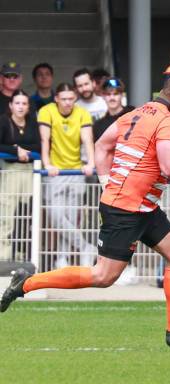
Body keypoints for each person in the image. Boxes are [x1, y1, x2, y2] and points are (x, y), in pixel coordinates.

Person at [0, 74, 170, 349]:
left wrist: (106, 183)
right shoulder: (169, 120)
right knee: (103, 276)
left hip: (142, 205)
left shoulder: (136, 112)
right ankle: (26, 283)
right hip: (127, 207)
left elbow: (102, 145)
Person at [38, 83, 98, 268]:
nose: (67, 103)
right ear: (56, 98)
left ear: (75, 98)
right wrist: (47, 164)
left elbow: (88, 140)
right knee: (55, 214)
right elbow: (44, 139)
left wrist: (91, 163)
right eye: (63, 99)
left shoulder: (82, 113)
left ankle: (62, 258)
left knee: (71, 217)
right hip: (55, 171)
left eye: (71, 99)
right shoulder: (46, 111)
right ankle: (86, 247)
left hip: (75, 170)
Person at [0, 90, 41, 260]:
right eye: (17, 103)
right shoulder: (3, 121)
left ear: (28, 106)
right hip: (10, 171)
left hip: (29, 172)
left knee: (26, 214)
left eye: (24, 103)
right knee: (6, 214)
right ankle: (3, 256)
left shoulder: (32, 122)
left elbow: (38, 146)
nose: (20, 106)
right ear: (10, 105)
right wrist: (15, 149)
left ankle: (21, 255)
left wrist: (24, 149)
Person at [93, 78, 135, 143]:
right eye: (108, 94)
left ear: (121, 95)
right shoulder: (98, 126)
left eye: (115, 94)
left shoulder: (134, 114)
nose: (112, 98)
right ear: (103, 96)